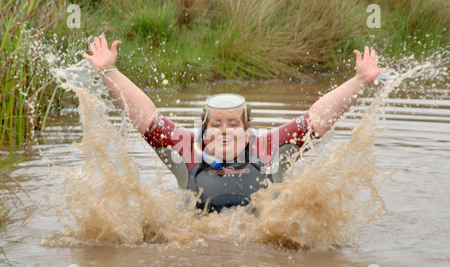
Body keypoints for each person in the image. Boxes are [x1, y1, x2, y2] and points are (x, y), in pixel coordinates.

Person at [83, 35, 386, 213]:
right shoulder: (188, 151)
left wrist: (359, 81)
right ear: (203, 132)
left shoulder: (269, 148)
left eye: (232, 124)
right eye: (215, 125)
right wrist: (109, 72)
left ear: (248, 132)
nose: (224, 130)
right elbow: (148, 119)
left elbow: (316, 119)